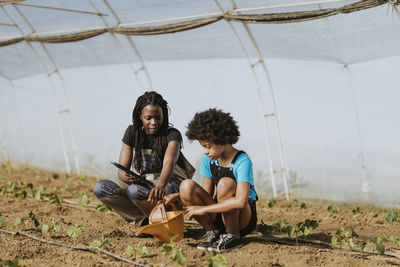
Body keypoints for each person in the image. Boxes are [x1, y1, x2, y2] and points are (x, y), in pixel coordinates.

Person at [93, 91, 194, 232]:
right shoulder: (132, 132)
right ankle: (144, 221)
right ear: (140, 116)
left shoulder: (172, 135)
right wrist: (129, 177)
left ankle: (162, 221)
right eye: (148, 118)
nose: (154, 122)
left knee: (135, 191)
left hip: (170, 183)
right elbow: (122, 171)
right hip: (145, 181)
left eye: (158, 118)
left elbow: (168, 164)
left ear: (164, 116)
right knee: (101, 188)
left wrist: (160, 186)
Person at [164, 108, 258, 252]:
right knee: (186, 186)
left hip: (242, 218)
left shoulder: (242, 160)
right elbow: (205, 194)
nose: (205, 151)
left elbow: (241, 202)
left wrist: (203, 209)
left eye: (207, 146)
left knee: (225, 184)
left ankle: (233, 235)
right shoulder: (209, 159)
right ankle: (213, 232)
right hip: (220, 212)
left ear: (221, 139)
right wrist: (177, 196)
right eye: (203, 147)